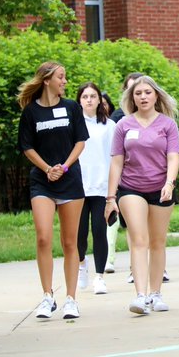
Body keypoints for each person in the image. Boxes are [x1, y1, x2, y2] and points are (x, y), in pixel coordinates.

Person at [17, 62, 88, 320]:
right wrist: (48, 169)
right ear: (47, 80)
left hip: (69, 180)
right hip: (42, 181)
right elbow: (27, 147)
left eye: (65, 78)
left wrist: (64, 167)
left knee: (70, 242)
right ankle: (48, 296)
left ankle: (71, 299)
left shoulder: (71, 107)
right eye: (61, 77)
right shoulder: (31, 113)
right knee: (43, 237)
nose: (65, 82)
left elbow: (81, 141)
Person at [107, 75, 179, 315]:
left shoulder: (168, 125)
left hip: (161, 187)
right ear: (132, 98)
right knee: (139, 239)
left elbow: (173, 157)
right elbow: (116, 163)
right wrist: (110, 198)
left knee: (157, 241)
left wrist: (170, 183)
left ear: (156, 95)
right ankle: (140, 296)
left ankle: (156, 294)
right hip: (131, 188)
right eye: (138, 94)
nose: (143, 97)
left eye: (147, 92)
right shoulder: (123, 125)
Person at [75, 82, 114, 295]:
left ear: (100, 99)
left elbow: (115, 157)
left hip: (101, 187)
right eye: (85, 96)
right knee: (79, 234)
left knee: (100, 232)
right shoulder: (74, 124)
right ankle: (82, 264)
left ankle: (99, 277)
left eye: (93, 96)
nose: (89, 100)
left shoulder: (109, 126)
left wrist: (113, 191)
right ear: (79, 100)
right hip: (78, 187)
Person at [101, 91, 121, 274]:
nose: (102, 106)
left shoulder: (114, 125)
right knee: (108, 222)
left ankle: (110, 258)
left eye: (105, 103)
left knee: (116, 221)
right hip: (99, 182)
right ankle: (108, 258)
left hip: (119, 179)